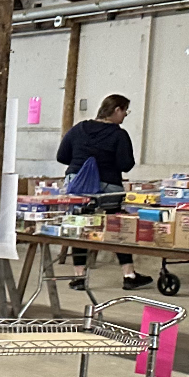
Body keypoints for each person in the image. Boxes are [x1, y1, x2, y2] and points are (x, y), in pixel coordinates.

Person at [57, 93, 148, 290]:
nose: (124, 116)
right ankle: (129, 274)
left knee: (80, 225)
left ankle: (79, 277)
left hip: (77, 186)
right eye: (125, 112)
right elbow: (126, 164)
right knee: (117, 226)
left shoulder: (78, 128)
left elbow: (62, 156)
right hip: (107, 186)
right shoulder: (118, 134)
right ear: (117, 110)